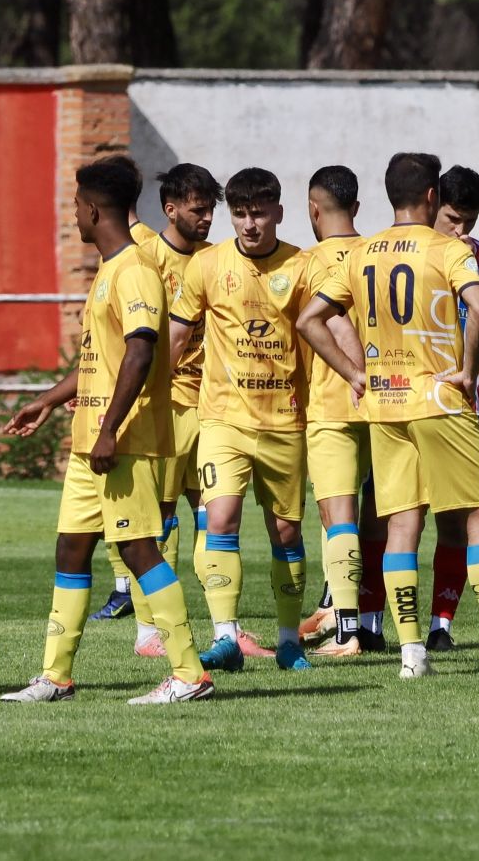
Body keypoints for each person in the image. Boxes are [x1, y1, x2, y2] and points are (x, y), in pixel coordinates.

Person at [298, 152, 479, 678]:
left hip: (385, 404)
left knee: (401, 527)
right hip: (439, 401)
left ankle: (411, 653)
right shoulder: (448, 250)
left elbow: (310, 319)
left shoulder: (362, 253)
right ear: (433, 196)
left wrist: (353, 372)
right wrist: (466, 369)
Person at [0, 158, 212, 704]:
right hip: (89, 441)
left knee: (140, 549)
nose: (74, 215)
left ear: (93, 210)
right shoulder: (109, 270)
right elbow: (104, 358)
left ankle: (190, 674)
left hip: (123, 441)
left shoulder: (135, 270)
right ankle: (56, 676)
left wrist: (111, 429)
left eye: (75, 206)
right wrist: (48, 400)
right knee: (72, 549)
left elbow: (142, 352)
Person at [168, 167, 313, 673]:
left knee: (286, 533)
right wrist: (145, 395)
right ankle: (226, 638)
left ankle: (290, 639)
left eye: (258, 213)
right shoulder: (207, 265)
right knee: (220, 519)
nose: (249, 224)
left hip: (285, 422)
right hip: (223, 420)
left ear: (277, 212)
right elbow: (177, 334)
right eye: (240, 214)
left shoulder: (302, 266)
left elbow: (324, 328)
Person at [92, 163, 222, 658]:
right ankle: (149, 631)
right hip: (162, 407)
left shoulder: (216, 260)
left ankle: (222, 628)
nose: (207, 218)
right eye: (198, 209)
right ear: (171, 209)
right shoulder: (143, 259)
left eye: (211, 209)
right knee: (159, 519)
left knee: (215, 516)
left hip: (210, 406)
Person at [421, 164, 479, 651]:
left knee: (462, 519)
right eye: (454, 218)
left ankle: (441, 627)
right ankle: (366, 627)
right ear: (433, 203)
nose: (461, 231)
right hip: (404, 405)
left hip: (458, 406)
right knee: (395, 517)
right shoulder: (412, 254)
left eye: (470, 222)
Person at [294, 165, 378, 658]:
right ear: (357, 208)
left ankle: (345, 631)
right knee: (377, 517)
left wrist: (352, 371)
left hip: (334, 400)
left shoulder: (309, 262)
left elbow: (335, 319)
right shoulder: (374, 254)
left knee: (337, 514)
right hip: (384, 404)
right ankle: (363, 618)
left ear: (313, 209)